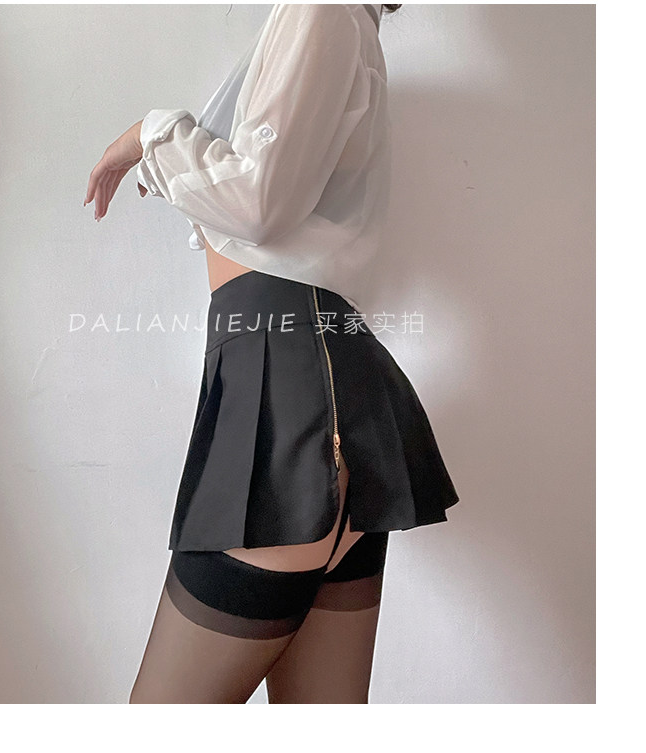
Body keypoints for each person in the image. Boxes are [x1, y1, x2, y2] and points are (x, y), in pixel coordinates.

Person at [84, 3, 458, 704]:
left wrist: (148, 134)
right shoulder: (351, 26)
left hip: (286, 392)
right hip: (320, 387)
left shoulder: (323, 10)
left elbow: (257, 200)